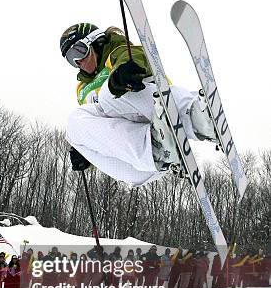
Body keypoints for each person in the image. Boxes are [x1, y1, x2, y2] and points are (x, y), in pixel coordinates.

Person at [60, 23, 217, 186]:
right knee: (73, 124)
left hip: (153, 113)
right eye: (71, 60)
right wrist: (85, 154)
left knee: (107, 95)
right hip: (141, 164)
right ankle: (157, 150)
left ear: (96, 42)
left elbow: (137, 56)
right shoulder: (82, 90)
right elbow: (106, 133)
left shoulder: (116, 52)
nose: (79, 62)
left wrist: (123, 71)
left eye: (78, 51)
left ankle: (196, 119)